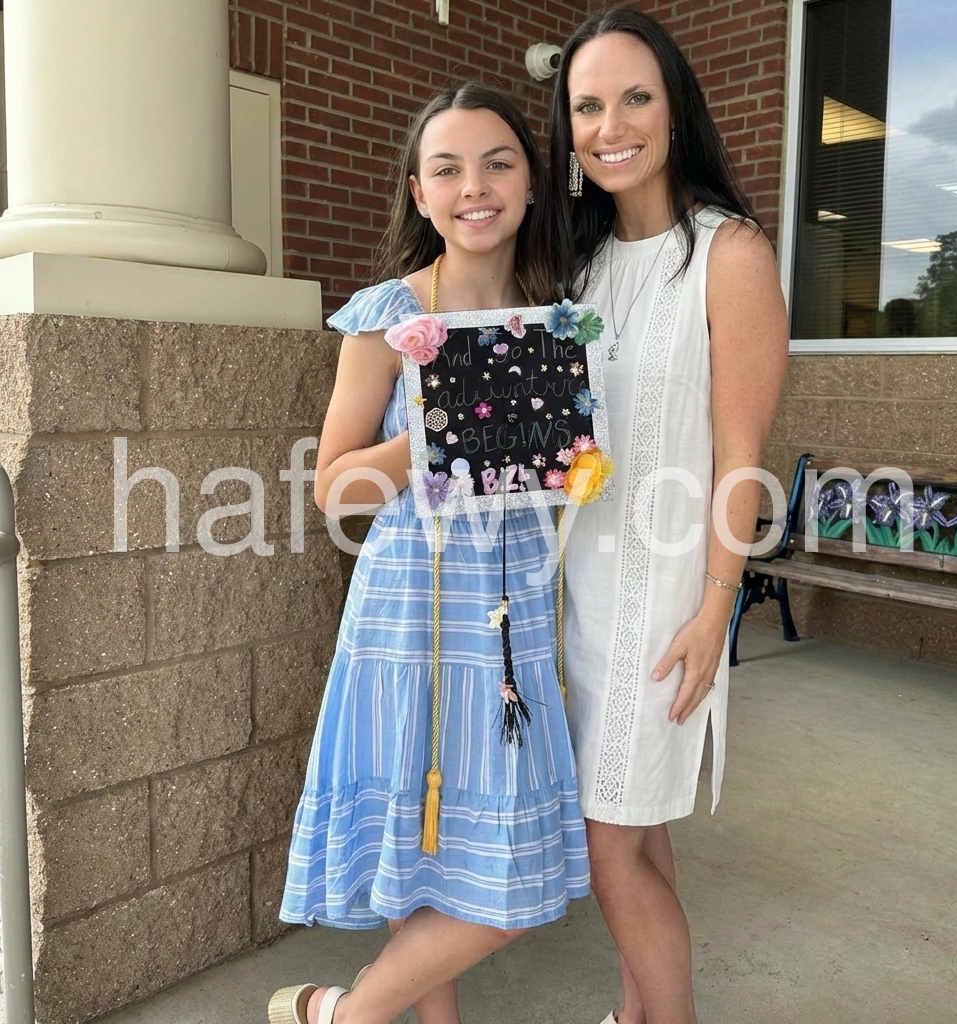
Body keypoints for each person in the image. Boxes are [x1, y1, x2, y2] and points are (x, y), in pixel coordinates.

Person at [269, 83, 590, 1024]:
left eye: (498, 163)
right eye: (447, 169)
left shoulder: (557, 319)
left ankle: (347, 1014)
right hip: (409, 602)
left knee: (511, 880)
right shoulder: (389, 315)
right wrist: (439, 435)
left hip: (516, 605)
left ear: (531, 182)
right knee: (419, 839)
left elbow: (562, 468)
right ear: (420, 193)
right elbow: (333, 488)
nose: (473, 188)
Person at [548, 9, 789, 1024]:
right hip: (582, 597)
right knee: (636, 830)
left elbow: (741, 458)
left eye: (635, 97)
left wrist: (715, 610)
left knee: (606, 844)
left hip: (665, 608)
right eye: (587, 106)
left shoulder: (729, 254)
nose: (611, 126)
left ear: (676, 108)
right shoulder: (578, 269)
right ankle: (635, 1012)